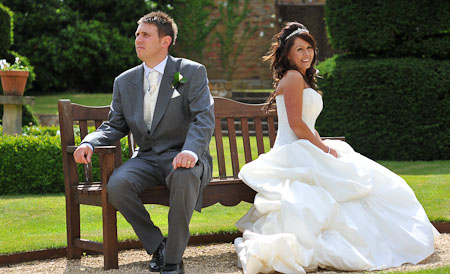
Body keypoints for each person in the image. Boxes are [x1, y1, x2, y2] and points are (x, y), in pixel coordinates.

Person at [234, 22, 438, 274]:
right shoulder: (293, 77)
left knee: (358, 173)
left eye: (309, 48)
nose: (306, 54)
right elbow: (297, 125)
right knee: (339, 176)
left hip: (305, 144)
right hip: (294, 148)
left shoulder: (300, 77)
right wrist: (323, 149)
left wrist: (324, 146)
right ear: (287, 53)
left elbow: (306, 123)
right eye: (300, 49)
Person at [73, 11, 214, 274]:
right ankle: (157, 245)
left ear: (165, 41)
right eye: (137, 34)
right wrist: (89, 143)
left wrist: (191, 151)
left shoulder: (190, 73)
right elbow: (114, 125)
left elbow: (203, 119)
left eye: (146, 35)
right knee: (117, 185)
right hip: (147, 157)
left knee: (184, 177)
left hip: (185, 156)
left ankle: (172, 261)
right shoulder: (124, 81)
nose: (138, 39)